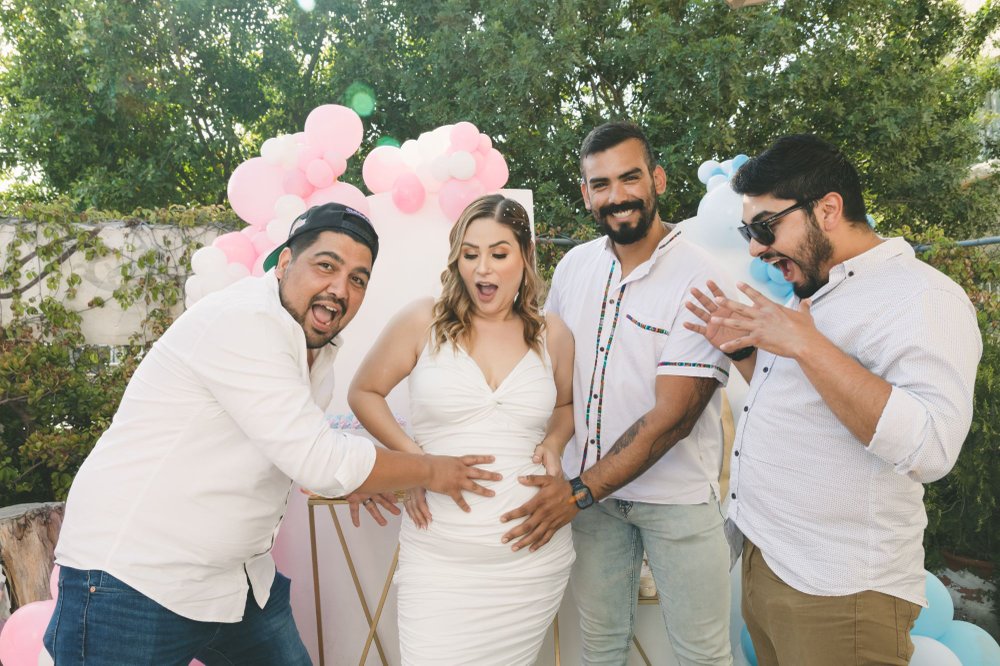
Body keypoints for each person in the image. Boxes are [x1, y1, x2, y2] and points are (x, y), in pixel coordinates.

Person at [45, 202, 502, 666]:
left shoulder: (314, 344)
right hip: (133, 581)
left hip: (237, 580)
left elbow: (287, 445)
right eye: (326, 266)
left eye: (358, 279)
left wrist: (352, 480)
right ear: (285, 262)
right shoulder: (245, 319)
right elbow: (318, 460)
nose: (339, 289)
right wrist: (431, 470)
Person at [683, 134, 982, 666]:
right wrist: (743, 353)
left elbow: (932, 448)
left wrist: (806, 344)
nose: (755, 248)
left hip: (840, 594)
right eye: (747, 232)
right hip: (771, 563)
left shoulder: (922, 297)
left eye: (765, 227)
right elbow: (808, 402)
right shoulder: (818, 291)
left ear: (827, 209)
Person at [500, 121, 734, 665]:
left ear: (658, 179)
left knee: (702, 655)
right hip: (592, 506)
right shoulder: (575, 266)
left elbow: (673, 419)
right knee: (600, 647)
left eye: (630, 178)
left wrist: (576, 493)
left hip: (675, 501)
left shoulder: (702, 279)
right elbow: (548, 377)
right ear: (585, 194)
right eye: (601, 184)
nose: (617, 196)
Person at [348, 194, 576, 665]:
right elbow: (364, 392)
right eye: (470, 254)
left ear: (525, 255)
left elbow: (567, 405)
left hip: (530, 562)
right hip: (441, 558)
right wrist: (418, 464)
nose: (482, 269)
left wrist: (554, 442)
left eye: (498, 253)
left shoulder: (552, 333)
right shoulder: (423, 320)